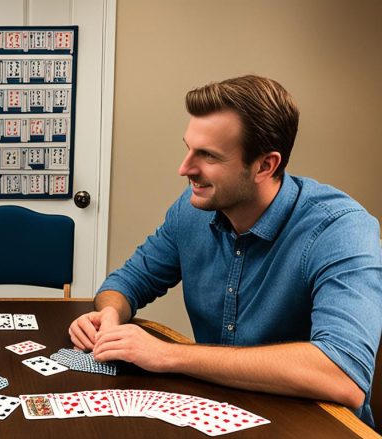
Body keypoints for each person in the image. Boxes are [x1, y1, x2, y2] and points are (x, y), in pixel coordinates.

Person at [69, 75, 381, 426]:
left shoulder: (342, 228)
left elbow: (343, 374)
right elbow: (126, 282)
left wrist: (167, 355)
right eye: (188, 147)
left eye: (208, 156)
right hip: (221, 413)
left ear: (266, 165)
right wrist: (110, 315)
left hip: (314, 428)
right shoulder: (190, 211)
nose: (184, 168)